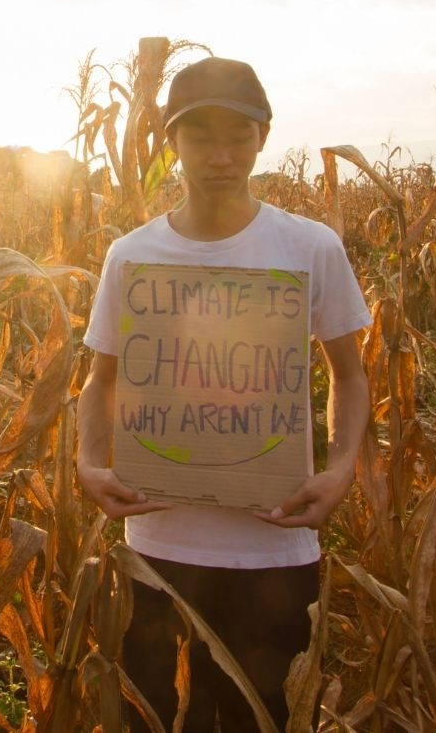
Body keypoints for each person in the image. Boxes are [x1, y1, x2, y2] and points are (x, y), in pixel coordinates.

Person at [76, 56, 373, 732]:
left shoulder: (309, 247)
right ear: (169, 141)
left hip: (273, 549)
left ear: (263, 139)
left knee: (259, 721)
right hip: (156, 543)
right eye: (200, 135)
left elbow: (350, 376)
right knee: (150, 717)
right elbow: (103, 379)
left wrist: (340, 469)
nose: (220, 154)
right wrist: (89, 463)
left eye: (238, 135)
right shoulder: (132, 256)